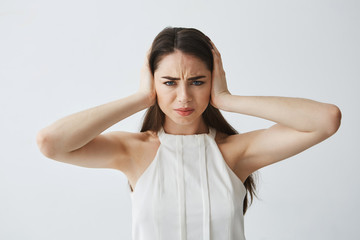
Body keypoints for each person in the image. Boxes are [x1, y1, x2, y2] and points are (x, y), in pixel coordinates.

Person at [36, 27, 342, 240]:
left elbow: (326, 119)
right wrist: (141, 98)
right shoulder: (133, 151)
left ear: (213, 80)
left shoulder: (236, 153)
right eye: (169, 82)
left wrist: (227, 99)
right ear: (153, 81)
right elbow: (51, 143)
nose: (184, 97)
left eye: (197, 82)